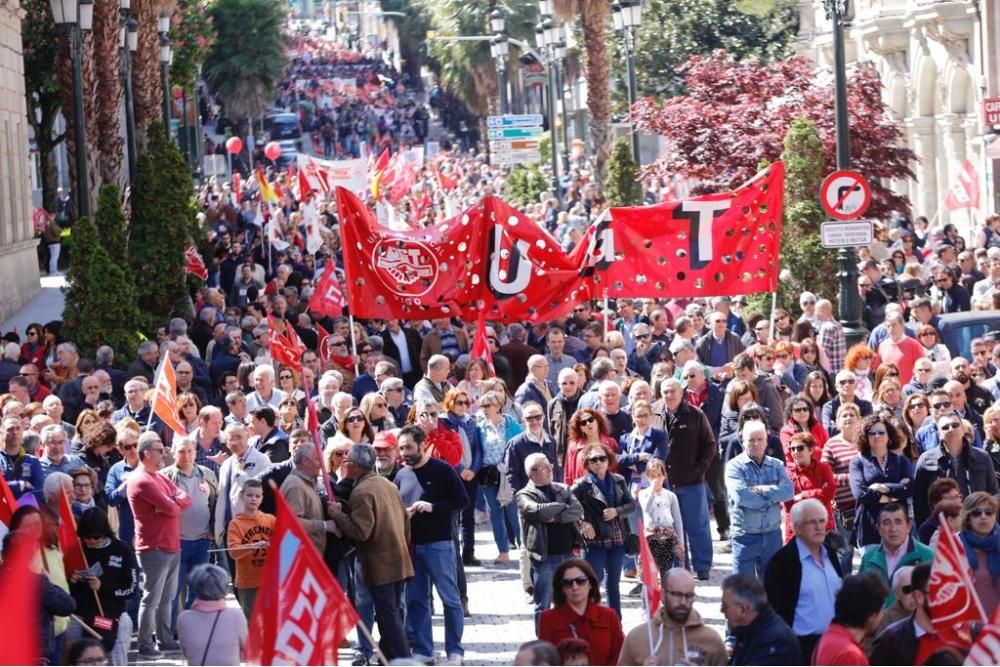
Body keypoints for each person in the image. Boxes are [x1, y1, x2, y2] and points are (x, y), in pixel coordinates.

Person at [328, 443, 413, 662]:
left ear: (355, 465)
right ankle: (389, 657)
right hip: (398, 558)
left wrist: (338, 516)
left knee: (388, 616)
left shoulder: (362, 491)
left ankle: (402, 659)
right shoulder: (387, 485)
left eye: (348, 461)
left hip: (380, 564)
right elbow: (405, 523)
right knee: (390, 613)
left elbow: (360, 531)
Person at [394, 424, 468, 665]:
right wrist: (403, 513)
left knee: (450, 599)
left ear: (422, 445)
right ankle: (424, 649)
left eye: (408, 447)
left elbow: (462, 500)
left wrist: (433, 507)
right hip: (412, 546)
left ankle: (454, 651)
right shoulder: (401, 474)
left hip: (439, 544)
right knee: (416, 600)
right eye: (401, 448)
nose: (404, 453)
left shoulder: (443, 470)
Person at [127, 431, 192, 659]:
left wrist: (170, 503)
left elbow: (184, 498)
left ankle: (165, 641)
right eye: (158, 449)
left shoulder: (159, 477)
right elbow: (176, 507)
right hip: (153, 547)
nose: (163, 453)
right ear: (146, 453)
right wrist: (172, 503)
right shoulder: (141, 480)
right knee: (152, 599)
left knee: (167, 599)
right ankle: (146, 645)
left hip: (171, 545)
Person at [764, 498, 843, 660]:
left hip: (835, 642)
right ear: (797, 527)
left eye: (822, 521)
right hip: (802, 647)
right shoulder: (782, 562)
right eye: (811, 522)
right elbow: (774, 611)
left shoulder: (831, 554)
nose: (819, 527)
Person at [517, 452, 584, 625]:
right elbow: (537, 511)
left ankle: (569, 641)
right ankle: (543, 647)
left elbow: (577, 510)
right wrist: (563, 507)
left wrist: (557, 517)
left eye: (550, 466)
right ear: (532, 472)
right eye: (544, 467)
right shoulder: (524, 495)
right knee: (543, 606)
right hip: (544, 558)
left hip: (568, 555)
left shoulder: (562, 488)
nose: (550, 470)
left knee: (571, 602)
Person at [660, 378, 717, 579]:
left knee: (698, 526)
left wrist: (700, 469)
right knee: (673, 529)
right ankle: (680, 567)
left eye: (672, 391)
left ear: (681, 392)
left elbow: (710, 445)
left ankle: (703, 567)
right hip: (665, 484)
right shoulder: (656, 416)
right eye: (665, 392)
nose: (669, 395)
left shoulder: (695, 414)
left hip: (692, 482)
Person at [571, 443, 635, 618]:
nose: (598, 462)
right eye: (593, 460)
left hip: (617, 539)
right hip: (594, 541)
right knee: (592, 582)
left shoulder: (619, 480)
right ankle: (589, 620)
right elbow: (568, 507)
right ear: (587, 463)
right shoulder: (581, 485)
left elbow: (631, 505)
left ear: (609, 460)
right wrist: (582, 522)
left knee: (613, 585)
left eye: (602, 458)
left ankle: (616, 624)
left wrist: (617, 511)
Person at [160, 436, 218, 630]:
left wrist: (213, 528)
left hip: (202, 541)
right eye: (181, 451)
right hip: (176, 544)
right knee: (172, 591)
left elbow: (215, 502)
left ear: (196, 452)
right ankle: (172, 630)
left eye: (190, 451)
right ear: (173, 452)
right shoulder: (164, 477)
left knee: (198, 588)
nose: (186, 456)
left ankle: (194, 627)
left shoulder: (207, 474)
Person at [618, 567, 728, 666]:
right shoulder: (637, 638)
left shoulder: (711, 640)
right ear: (662, 594)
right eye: (677, 594)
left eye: (689, 596)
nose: (683, 602)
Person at [69, 508, 137, 666]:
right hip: (81, 620)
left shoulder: (122, 550)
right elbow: (64, 590)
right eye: (86, 537)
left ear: (106, 531)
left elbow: (132, 589)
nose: (91, 541)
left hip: (113, 618)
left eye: (96, 537)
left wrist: (103, 587)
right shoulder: (77, 550)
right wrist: (72, 581)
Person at [725, 420, 793, 576]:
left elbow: (789, 491)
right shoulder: (734, 467)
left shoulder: (776, 465)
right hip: (745, 536)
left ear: (766, 441)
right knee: (743, 589)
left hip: (772, 535)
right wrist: (773, 498)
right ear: (743, 441)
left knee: (771, 588)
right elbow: (741, 496)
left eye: (759, 439)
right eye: (751, 439)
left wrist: (764, 490)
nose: (755, 443)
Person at [913, 412, 999, 525]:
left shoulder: (982, 457)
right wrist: (925, 530)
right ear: (939, 434)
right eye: (945, 427)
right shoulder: (926, 460)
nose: (951, 429)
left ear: (963, 430)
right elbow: (919, 501)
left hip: (976, 524)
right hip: (942, 527)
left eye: (955, 425)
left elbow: (993, 494)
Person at [537, 559, 624, 666]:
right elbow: (545, 660)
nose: (575, 587)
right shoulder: (548, 618)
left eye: (581, 581)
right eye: (567, 583)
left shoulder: (609, 616)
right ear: (561, 588)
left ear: (590, 584)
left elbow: (619, 655)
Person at [849, 416, 914, 549]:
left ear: (889, 436)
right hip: (870, 526)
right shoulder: (858, 461)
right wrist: (894, 493)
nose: (877, 436)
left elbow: (910, 488)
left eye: (881, 432)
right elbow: (860, 493)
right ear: (865, 437)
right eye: (872, 433)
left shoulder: (901, 460)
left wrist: (883, 487)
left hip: (898, 525)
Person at [476, 390, 523, 563]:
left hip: (507, 473)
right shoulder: (480, 427)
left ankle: (523, 545)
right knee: (495, 512)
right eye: (482, 406)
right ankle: (503, 551)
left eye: (488, 405)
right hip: (488, 474)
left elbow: (520, 444)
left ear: (497, 406)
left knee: (512, 511)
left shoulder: (511, 423)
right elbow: (478, 451)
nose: (484, 409)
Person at [722, 574, 802, 666]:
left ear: (743, 609)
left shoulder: (775, 643)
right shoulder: (749, 630)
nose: (722, 611)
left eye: (725, 606)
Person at [859, 503, 933, 601]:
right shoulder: (868, 559)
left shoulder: (927, 556)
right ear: (878, 529)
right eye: (886, 523)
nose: (893, 529)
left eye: (898, 522)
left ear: (909, 526)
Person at [176, 564, 247, 666]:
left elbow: (186, 652)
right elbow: (248, 651)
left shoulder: (184, 618)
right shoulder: (235, 616)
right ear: (223, 587)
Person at [213, 424, 271, 549]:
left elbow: (259, 491)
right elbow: (222, 497)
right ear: (226, 443)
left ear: (247, 437)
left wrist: (241, 474)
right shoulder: (226, 464)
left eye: (239, 437)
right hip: (229, 529)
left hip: (252, 530)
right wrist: (218, 528)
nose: (235, 442)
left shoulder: (262, 460)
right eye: (231, 439)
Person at [812, 573, 888, 665]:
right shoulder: (851, 655)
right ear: (871, 616)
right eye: (882, 610)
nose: (882, 616)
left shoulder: (829, 637)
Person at [225, 478, 274, 619]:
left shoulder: (270, 520)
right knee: (252, 624)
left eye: (257, 496)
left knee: (271, 621)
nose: (253, 499)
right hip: (247, 584)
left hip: (270, 581)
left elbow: (285, 544)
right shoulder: (235, 524)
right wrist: (252, 546)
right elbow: (233, 552)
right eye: (250, 495)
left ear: (262, 498)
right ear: (242, 496)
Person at [869, 562, 934, 666]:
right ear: (896, 593)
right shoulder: (888, 637)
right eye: (908, 589)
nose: (913, 595)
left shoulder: (958, 636)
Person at [783, 432, 836, 540]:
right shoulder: (787, 472)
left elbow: (829, 492)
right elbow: (788, 503)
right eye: (792, 449)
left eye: (800, 448)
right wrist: (819, 493)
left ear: (811, 450)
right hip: (797, 533)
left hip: (823, 531)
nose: (795, 452)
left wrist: (803, 496)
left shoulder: (823, 468)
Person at [638, 459, 685, 573]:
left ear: (664, 476)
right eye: (653, 476)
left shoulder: (670, 495)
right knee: (650, 569)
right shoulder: (643, 493)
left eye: (659, 475)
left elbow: (677, 519)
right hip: (651, 535)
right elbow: (647, 508)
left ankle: (665, 588)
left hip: (667, 535)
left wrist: (681, 541)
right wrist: (652, 491)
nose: (656, 479)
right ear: (647, 477)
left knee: (666, 568)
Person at [958, 491, 1000, 616]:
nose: (983, 516)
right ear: (968, 518)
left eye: (989, 512)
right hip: (968, 627)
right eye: (977, 513)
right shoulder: (956, 546)